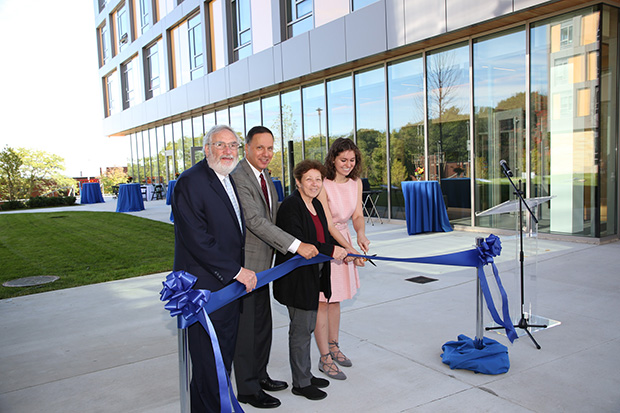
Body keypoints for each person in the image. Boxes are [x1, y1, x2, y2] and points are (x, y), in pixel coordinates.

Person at [231, 126, 319, 409]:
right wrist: (295, 245)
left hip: (265, 268)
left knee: (262, 326)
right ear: (246, 148)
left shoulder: (264, 176)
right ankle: (247, 388)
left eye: (270, 148)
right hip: (247, 267)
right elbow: (255, 221)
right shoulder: (239, 176)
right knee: (246, 330)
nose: (266, 154)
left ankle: (259, 375)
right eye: (260, 148)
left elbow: (275, 212)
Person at [172, 124, 257, 413]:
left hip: (226, 290)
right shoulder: (191, 182)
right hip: (206, 290)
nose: (227, 151)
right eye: (220, 145)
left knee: (220, 362)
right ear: (206, 148)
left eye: (233, 145)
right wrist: (236, 271)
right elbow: (198, 239)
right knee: (210, 365)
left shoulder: (225, 177)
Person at [273, 160, 348, 401]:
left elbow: (322, 234)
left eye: (318, 179)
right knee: (301, 331)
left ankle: (305, 374)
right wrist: (331, 249)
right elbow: (301, 241)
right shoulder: (290, 207)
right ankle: (301, 383)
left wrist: (338, 248)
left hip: (314, 276)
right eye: (309, 179)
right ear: (297, 181)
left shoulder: (315, 203)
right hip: (296, 280)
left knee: (307, 326)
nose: (314, 184)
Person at [314, 137, 370, 380]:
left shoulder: (355, 183)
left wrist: (360, 235)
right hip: (327, 243)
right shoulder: (323, 183)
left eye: (352, 160)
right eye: (343, 160)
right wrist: (350, 250)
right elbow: (327, 224)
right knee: (322, 302)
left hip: (345, 238)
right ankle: (324, 356)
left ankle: (334, 346)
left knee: (336, 300)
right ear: (333, 159)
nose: (348, 164)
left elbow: (357, 214)